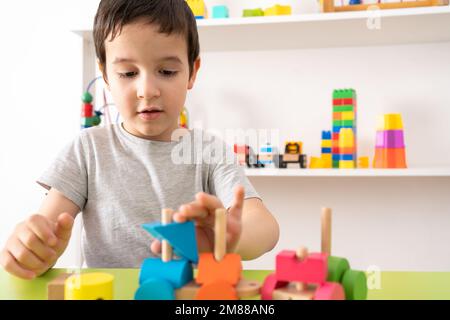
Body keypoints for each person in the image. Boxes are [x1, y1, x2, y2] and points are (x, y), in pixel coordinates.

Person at [0, 0, 279, 280]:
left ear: (192, 72)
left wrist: (231, 236)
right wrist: (31, 248)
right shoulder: (86, 150)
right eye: (128, 73)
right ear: (106, 75)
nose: (147, 90)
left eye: (167, 71)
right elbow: (45, 229)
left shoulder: (208, 151)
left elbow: (265, 229)